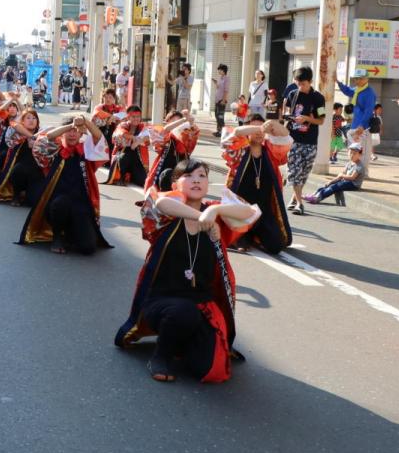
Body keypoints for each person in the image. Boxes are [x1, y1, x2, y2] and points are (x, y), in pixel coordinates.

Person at [114, 159, 260, 383]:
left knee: (211, 369)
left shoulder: (215, 212)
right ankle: (160, 356)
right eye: (189, 176)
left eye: (202, 176)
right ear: (175, 183)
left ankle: (181, 341)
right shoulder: (165, 214)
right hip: (161, 301)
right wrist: (203, 218)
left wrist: (215, 210)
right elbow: (159, 202)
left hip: (203, 304)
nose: (196, 180)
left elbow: (250, 212)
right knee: (183, 312)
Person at [18, 114, 111, 255]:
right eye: (69, 131)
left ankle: (71, 233)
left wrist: (85, 122)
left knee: (88, 248)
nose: (72, 134)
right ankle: (56, 236)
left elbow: (99, 138)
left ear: (81, 134)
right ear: (62, 133)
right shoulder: (53, 150)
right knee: (60, 204)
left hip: (81, 204)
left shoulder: (86, 151)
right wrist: (71, 125)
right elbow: (48, 137)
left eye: (76, 131)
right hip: (56, 204)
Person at [221, 115, 293, 253]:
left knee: (276, 245)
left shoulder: (271, 151)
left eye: (262, 129)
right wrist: (259, 127)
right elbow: (235, 133)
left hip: (263, 210)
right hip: (240, 209)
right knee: (240, 242)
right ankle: (244, 235)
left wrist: (272, 123)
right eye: (254, 129)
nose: (260, 133)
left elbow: (286, 137)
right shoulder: (239, 150)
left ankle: (255, 234)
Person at [283, 66, 326, 215]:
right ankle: (300, 204)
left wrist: (306, 118)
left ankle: (295, 198)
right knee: (294, 171)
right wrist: (288, 117)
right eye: (298, 83)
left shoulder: (318, 98)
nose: (300, 87)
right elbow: (286, 112)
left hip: (310, 141)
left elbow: (321, 120)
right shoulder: (292, 95)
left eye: (303, 84)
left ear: (310, 81)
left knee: (303, 173)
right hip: (293, 140)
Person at [0, 108, 43, 205]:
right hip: (19, 170)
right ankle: (16, 194)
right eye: (28, 118)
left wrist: (37, 141)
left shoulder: (42, 133)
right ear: (22, 121)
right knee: (18, 170)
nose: (31, 120)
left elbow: (52, 130)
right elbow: (14, 124)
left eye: (34, 118)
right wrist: (31, 137)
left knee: (33, 201)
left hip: (37, 171)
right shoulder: (17, 133)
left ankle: (28, 193)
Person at [144, 110, 199, 193]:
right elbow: (166, 130)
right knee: (165, 176)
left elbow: (192, 140)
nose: (177, 123)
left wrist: (190, 122)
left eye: (178, 120)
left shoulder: (185, 134)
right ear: (168, 122)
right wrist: (183, 120)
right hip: (165, 164)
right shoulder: (165, 133)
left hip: (181, 165)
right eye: (173, 121)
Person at [305, 142, 367, 206]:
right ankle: (314, 194)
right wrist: (331, 181)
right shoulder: (349, 163)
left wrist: (342, 175)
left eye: (354, 153)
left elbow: (352, 177)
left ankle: (317, 198)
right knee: (329, 185)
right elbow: (341, 175)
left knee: (335, 186)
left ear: (360, 155)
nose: (352, 155)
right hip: (346, 181)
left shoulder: (359, 166)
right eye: (350, 152)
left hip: (353, 184)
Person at [105, 105, 151, 186]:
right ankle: (121, 177)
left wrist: (137, 141)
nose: (136, 119)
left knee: (143, 181)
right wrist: (133, 138)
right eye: (133, 116)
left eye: (138, 116)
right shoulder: (122, 125)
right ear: (128, 117)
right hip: (122, 155)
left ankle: (132, 175)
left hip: (138, 157)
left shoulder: (142, 127)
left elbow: (148, 138)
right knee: (125, 156)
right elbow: (119, 135)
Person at [338, 68, 376, 162]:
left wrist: (362, 125)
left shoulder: (369, 93)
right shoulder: (357, 90)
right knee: (353, 150)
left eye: (361, 78)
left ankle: (362, 172)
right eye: (356, 79)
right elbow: (347, 90)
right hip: (355, 125)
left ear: (367, 79)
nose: (358, 81)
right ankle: (353, 170)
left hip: (363, 128)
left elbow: (368, 111)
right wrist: (338, 82)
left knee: (363, 152)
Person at [213, 63, 230, 137]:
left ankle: (223, 132)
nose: (218, 71)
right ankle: (218, 131)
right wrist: (216, 83)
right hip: (217, 100)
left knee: (220, 116)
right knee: (216, 115)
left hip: (222, 100)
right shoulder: (220, 78)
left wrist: (224, 100)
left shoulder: (226, 79)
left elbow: (226, 90)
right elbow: (218, 87)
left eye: (220, 69)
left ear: (223, 70)